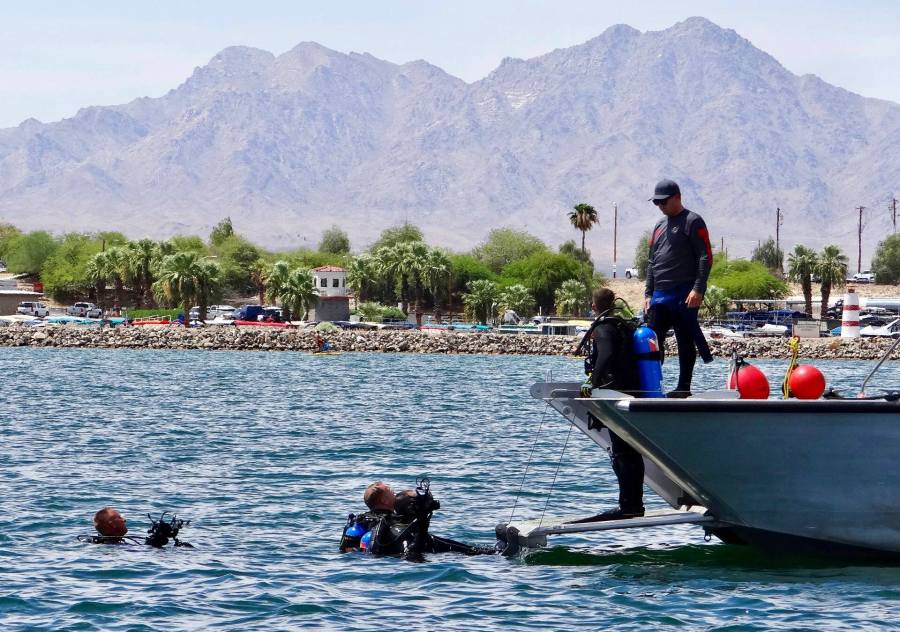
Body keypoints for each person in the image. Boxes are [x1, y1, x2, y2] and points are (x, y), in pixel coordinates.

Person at [572, 288, 645, 522]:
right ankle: (633, 503)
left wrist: (591, 383)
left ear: (594, 307)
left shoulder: (603, 329)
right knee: (629, 451)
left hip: (615, 394)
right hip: (634, 392)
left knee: (623, 453)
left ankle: (630, 506)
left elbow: (605, 355)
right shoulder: (625, 326)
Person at [644, 179, 714, 398]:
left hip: (684, 293)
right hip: (659, 295)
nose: (660, 206)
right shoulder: (658, 226)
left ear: (677, 197)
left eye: (663, 202)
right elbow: (652, 262)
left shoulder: (693, 221)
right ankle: (652, 385)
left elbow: (705, 257)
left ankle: (683, 387)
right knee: (651, 339)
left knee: (685, 339)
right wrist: (647, 293)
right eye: (657, 203)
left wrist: (698, 289)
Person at [340, 480, 497, 559]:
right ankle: (490, 553)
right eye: (390, 491)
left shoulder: (362, 521)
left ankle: (485, 552)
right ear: (384, 501)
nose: (393, 492)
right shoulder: (388, 522)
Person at [79, 508, 192, 547]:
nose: (124, 520)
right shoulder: (113, 546)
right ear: (111, 524)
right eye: (119, 518)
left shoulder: (119, 542)